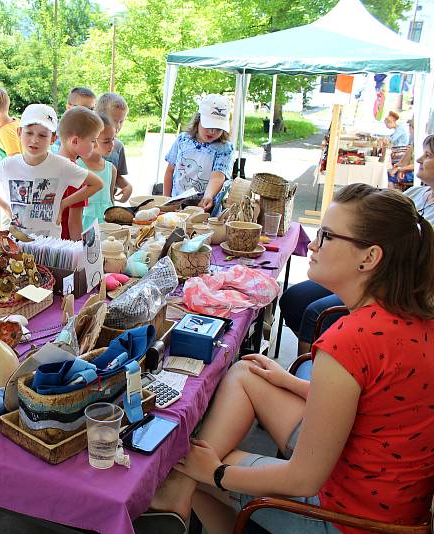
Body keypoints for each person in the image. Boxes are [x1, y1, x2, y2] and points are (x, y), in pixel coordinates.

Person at [138, 183, 434, 534]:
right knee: (248, 370)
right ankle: (181, 497)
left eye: (327, 236)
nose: (314, 245)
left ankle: (179, 494)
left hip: (352, 519)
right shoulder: (415, 317)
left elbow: (304, 480)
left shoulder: (350, 340)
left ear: (369, 258)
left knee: (188, 465)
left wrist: (216, 473)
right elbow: (378, 404)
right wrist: (289, 381)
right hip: (389, 495)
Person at [280, 133, 434, 355]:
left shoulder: (352, 335)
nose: (418, 160)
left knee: (316, 313)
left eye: (327, 236)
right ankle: (311, 362)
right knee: (295, 298)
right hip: (367, 274)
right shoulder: (416, 193)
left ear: (370, 256)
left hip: (386, 282)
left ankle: (312, 362)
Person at [0, 104, 103, 238]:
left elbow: (97, 184)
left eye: (43, 135)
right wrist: (5, 207)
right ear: (19, 133)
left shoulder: (61, 165)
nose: (35, 140)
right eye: (29, 133)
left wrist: (63, 204)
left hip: (50, 246)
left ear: (53, 139)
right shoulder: (8, 165)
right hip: (17, 243)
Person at [162, 94, 233, 212]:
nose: (212, 131)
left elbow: (218, 176)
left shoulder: (225, 148)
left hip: (204, 208)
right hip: (176, 205)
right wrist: (166, 200)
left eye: (218, 128)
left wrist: (208, 196)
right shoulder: (182, 140)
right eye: (209, 125)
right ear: (198, 119)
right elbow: (170, 171)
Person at [56, 106, 104, 240]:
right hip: (65, 245)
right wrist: (78, 251)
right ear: (75, 141)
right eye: (93, 140)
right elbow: (74, 222)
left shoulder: (53, 163)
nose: (96, 146)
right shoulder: (74, 174)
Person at [81, 113, 120, 231]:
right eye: (106, 141)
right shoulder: (77, 167)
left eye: (113, 139)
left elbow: (110, 199)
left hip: (107, 225)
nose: (112, 145)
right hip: (84, 226)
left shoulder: (111, 169)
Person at [96, 92, 132, 201]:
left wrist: (127, 186)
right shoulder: (85, 144)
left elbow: (115, 176)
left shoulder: (118, 146)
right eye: (114, 120)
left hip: (108, 204)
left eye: (121, 121)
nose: (118, 126)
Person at [52, 87, 97, 153]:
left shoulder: (96, 135)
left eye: (91, 109)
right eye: (83, 109)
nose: (89, 113)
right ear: (68, 108)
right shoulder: (53, 133)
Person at [388, 116, 414, 192]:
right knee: (390, 172)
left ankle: (392, 197)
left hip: (413, 173)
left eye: (410, 127)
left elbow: (417, 165)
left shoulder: (419, 144)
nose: (409, 130)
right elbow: (404, 161)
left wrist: (400, 169)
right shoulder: (414, 143)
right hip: (408, 169)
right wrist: (397, 167)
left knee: (389, 176)